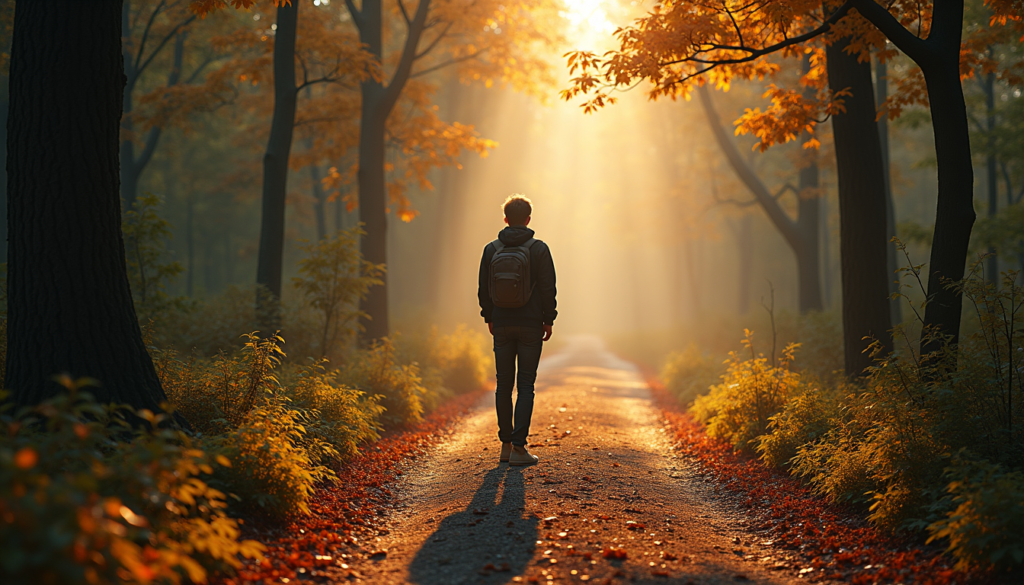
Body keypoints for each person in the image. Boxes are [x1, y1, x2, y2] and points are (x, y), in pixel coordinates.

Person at [478, 194, 557, 466]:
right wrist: (549, 319)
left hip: (501, 322)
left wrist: (489, 316)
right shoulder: (539, 249)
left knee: (503, 384)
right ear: (528, 219)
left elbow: (483, 289)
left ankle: (505, 445)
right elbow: (548, 288)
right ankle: (519, 450)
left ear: (505, 219)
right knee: (525, 385)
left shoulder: (491, 249)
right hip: (531, 324)